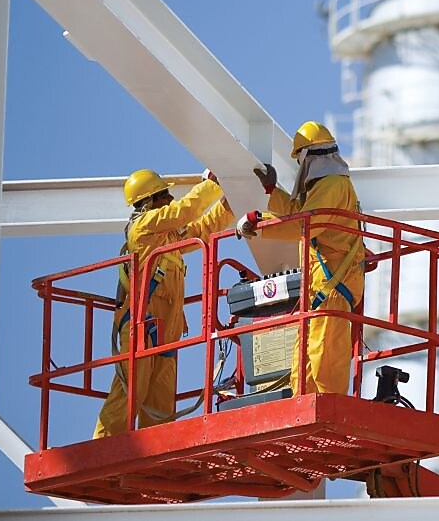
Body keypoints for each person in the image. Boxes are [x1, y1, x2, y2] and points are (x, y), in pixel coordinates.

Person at [93, 168, 233, 438]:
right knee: (131, 391)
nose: (170, 198)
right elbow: (183, 212)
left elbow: (201, 231)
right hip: (140, 328)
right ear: (149, 201)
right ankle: (103, 444)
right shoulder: (143, 228)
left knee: (160, 398)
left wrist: (228, 206)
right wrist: (211, 186)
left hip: (164, 332)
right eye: (164, 194)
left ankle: (156, 445)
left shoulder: (166, 238)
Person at [236, 121, 363, 395]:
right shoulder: (327, 186)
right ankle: (304, 406)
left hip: (332, 286)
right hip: (323, 285)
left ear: (308, 158)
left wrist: (259, 223)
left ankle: (330, 408)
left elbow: (304, 225)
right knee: (304, 361)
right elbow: (301, 213)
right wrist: (273, 191)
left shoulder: (331, 185)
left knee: (323, 356)